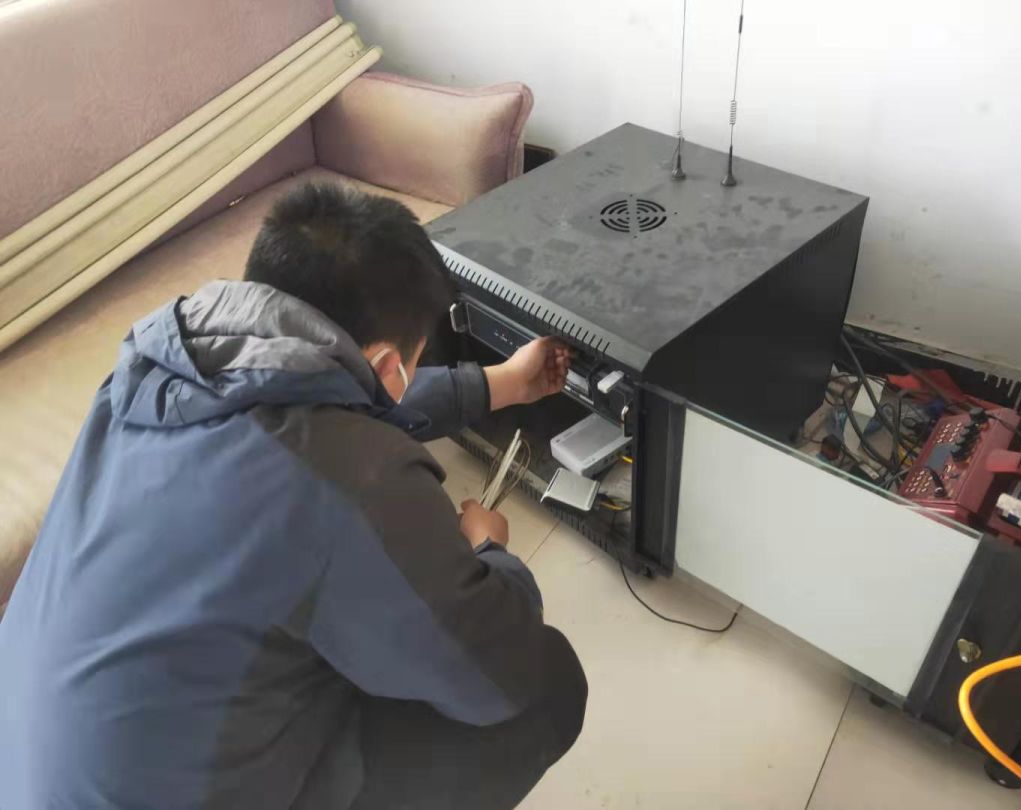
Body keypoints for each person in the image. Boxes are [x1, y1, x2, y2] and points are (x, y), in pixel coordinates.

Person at [0, 182, 587, 809]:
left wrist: (499, 384)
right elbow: (501, 673)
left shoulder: (148, 375)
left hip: (27, 777)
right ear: (390, 368)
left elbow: (322, 400)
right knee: (547, 685)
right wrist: (493, 556)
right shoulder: (355, 477)